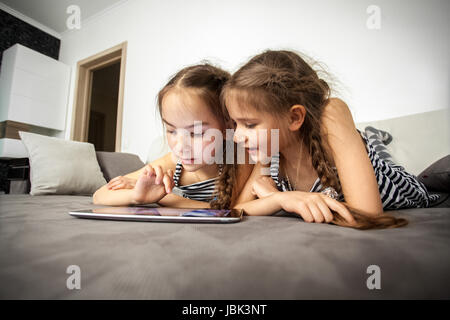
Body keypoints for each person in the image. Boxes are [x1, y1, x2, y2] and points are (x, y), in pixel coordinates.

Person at [223, 50, 438, 229]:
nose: (238, 136)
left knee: (384, 159)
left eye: (250, 125)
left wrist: (274, 195)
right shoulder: (270, 150)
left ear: (294, 117)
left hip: (400, 184)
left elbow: (368, 213)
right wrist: (280, 199)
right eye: (236, 124)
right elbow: (238, 210)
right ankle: (374, 138)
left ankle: (374, 138)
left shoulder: (332, 113)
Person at [93, 64, 252, 209]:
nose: (180, 147)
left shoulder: (239, 155)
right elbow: (100, 195)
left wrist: (165, 198)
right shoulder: (173, 162)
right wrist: (137, 195)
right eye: (171, 130)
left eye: (196, 133)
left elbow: (231, 209)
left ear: (227, 126)